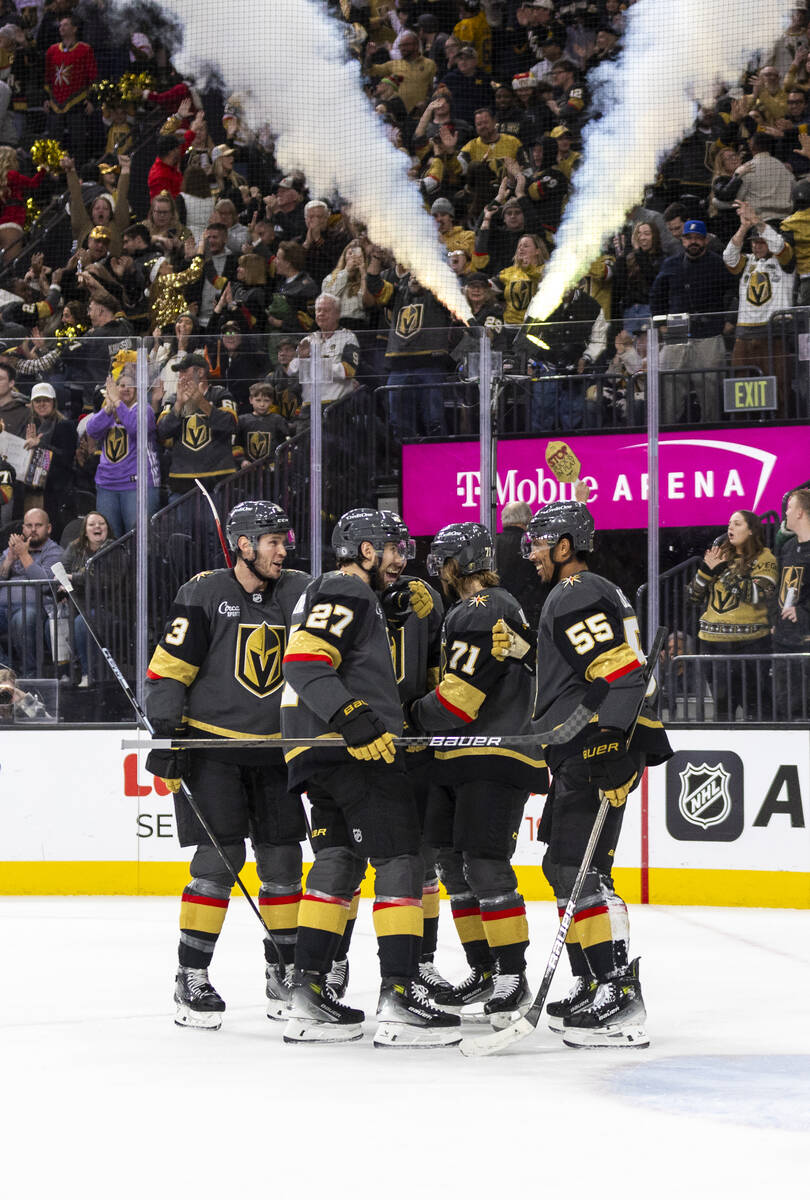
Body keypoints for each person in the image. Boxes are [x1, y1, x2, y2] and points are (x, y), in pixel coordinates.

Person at [280, 507, 461, 1047]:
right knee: (402, 861)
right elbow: (305, 661)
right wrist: (354, 717)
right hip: (353, 748)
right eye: (393, 548)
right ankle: (401, 995)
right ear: (364, 551)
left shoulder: (344, 594)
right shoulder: (344, 589)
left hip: (317, 751)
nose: (402, 558)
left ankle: (307, 994)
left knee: (337, 861)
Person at [144, 501, 311, 1030]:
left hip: (276, 752)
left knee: (284, 864)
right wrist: (169, 737)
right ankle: (190, 975)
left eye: (284, 541)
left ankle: (283, 971)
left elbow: (356, 606)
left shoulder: (300, 590)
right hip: (212, 749)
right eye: (272, 542)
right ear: (243, 544)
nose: (283, 550)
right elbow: (167, 672)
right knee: (218, 864)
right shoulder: (202, 592)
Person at [525, 501, 671, 1048]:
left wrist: (610, 742)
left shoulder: (576, 592)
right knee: (564, 866)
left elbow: (619, 671)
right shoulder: (586, 593)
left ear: (565, 546)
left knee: (577, 868)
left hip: (595, 743)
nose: (533, 554)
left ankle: (617, 991)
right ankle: (593, 982)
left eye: (539, 543)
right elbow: (592, 667)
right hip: (585, 742)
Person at [406, 521, 547, 1026]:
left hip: (494, 752)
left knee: (484, 862)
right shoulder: (477, 610)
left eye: (442, 562)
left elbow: (459, 700)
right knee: (453, 862)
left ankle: (512, 974)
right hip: (460, 755)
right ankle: (486, 969)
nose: (437, 573)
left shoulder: (482, 608)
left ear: (457, 563)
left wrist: (405, 716)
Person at [687, 510, 778, 720]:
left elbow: (757, 594)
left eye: (737, 524)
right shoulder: (720, 555)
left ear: (752, 530)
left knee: (756, 709)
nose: (730, 528)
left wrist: (723, 572)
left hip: (751, 645)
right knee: (722, 710)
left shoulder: (765, 558)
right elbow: (692, 597)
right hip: (713, 645)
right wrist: (706, 571)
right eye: (729, 523)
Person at [649, 218, 731, 424]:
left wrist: (730, 319)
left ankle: (712, 434)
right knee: (670, 387)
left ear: (705, 240)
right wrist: (660, 324)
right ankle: (669, 435)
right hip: (677, 330)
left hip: (709, 331)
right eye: (689, 238)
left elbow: (733, 291)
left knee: (710, 388)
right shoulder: (671, 264)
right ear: (682, 240)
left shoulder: (717, 262)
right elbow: (656, 296)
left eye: (697, 238)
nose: (693, 242)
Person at [723, 200, 795, 410]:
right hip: (744, 335)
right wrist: (744, 227)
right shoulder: (747, 262)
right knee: (741, 392)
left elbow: (779, 245)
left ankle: (781, 430)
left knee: (780, 391)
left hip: (775, 335)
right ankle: (744, 431)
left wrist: (757, 220)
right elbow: (728, 257)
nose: (757, 245)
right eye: (754, 242)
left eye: (761, 242)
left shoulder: (785, 262)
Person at [83, 365, 162, 537]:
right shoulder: (109, 412)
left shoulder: (145, 409)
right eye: (121, 385)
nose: (125, 389)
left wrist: (118, 403)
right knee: (110, 541)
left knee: (137, 539)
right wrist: (109, 408)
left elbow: (136, 429)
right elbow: (92, 430)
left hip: (138, 485)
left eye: (130, 385)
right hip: (107, 485)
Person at [156, 353, 238, 498]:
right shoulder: (174, 399)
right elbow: (161, 432)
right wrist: (179, 405)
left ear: (200, 372)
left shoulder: (220, 394)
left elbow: (231, 425)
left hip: (217, 479)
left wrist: (201, 402)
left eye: (184, 371)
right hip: (182, 480)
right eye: (179, 372)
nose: (180, 376)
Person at [0, 507, 63, 675]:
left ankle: (31, 673)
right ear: (23, 529)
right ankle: (5, 670)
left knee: (24, 619)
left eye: (38, 525)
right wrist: (9, 560)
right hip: (4, 609)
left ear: (48, 528)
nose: (33, 530)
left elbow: (45, 584)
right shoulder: (12, 550)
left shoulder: (54, 551)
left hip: (34, 609)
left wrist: (23, 555)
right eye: (29, 525)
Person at [60, 510, 112, 686]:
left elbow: (102, 579)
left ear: (107, 528)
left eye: (101, 523)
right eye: (92, 524)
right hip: (80, 606)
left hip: (109, 608)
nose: (97, 527)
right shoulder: (75, 548)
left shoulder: (114, 548)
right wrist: (62, 585)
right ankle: (63, 675)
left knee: (82, 623)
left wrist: (73, 578)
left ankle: (87, 674)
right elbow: (61, 571)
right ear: (85, 531)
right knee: (51, 624)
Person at [772, 487, 810, 719]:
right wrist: (774, 620)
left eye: (789, 508)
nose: (785, 513)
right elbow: (780, 589)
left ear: (801, 512)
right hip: (784, 640)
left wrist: (803, 612)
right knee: (785, 704)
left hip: (806, 641)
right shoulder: (787, 547)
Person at [494, 500, 545, 628]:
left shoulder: (493, 545)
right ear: (529, 519)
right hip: (530, 615)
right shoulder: (533, 544)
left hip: (498, 615)